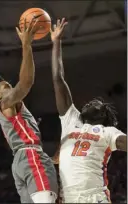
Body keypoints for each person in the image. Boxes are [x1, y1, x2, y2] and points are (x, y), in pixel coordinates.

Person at [50, 18, 127, 203]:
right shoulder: (71, 119)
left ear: (102, 116)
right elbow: (58, 78)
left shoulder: (107, 132)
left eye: (98, 103)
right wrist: (56, 42)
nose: (92, 102)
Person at [0, 18, 58, 203]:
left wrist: (48, 158)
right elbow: (26, 83)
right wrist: (26, 45)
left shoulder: (11, 113)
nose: (11, 88)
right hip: (30, 158)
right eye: (6, 86)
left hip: (22, 161)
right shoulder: (6, 103)